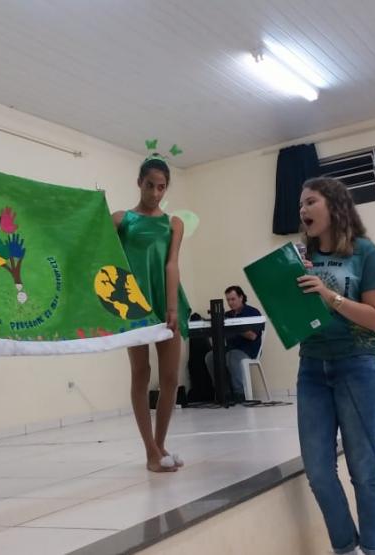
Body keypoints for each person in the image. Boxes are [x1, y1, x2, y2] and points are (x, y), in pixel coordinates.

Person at [295, 177, 375, 555]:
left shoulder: (365, 252)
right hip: (312, 369)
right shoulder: (302, 257)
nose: (302, 210)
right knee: (318, 472)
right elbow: (297, 317)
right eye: (300, 205)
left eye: (310, 202)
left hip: (358, 365)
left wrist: (329, 294)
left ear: (334, 206)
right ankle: (345, 547)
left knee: (364, 471)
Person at [112, 154, 190, 472]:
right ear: (139, 183)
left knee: (170, 378)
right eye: (150, 186)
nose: (155, 193)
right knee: (141, 374)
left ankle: (161, 445)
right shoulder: (121, 220)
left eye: (161, 187)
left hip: (168, 301)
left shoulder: (174, 223)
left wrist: (172, 307)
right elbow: (98, 253)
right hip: (134, 305)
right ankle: (150, 453)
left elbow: (172, 263)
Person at [204, 285, 264, 402]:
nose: (230, 303)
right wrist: (215, 322)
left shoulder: (252, 312)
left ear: (241, 297)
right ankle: (222, 392)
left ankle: (239, 393)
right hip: (231, 348)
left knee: (233, 356)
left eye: (233, 299)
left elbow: (252, 336)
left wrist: (235, 326)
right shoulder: (227, 315)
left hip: (248, 350)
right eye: (228, 300)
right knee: (210, 357)